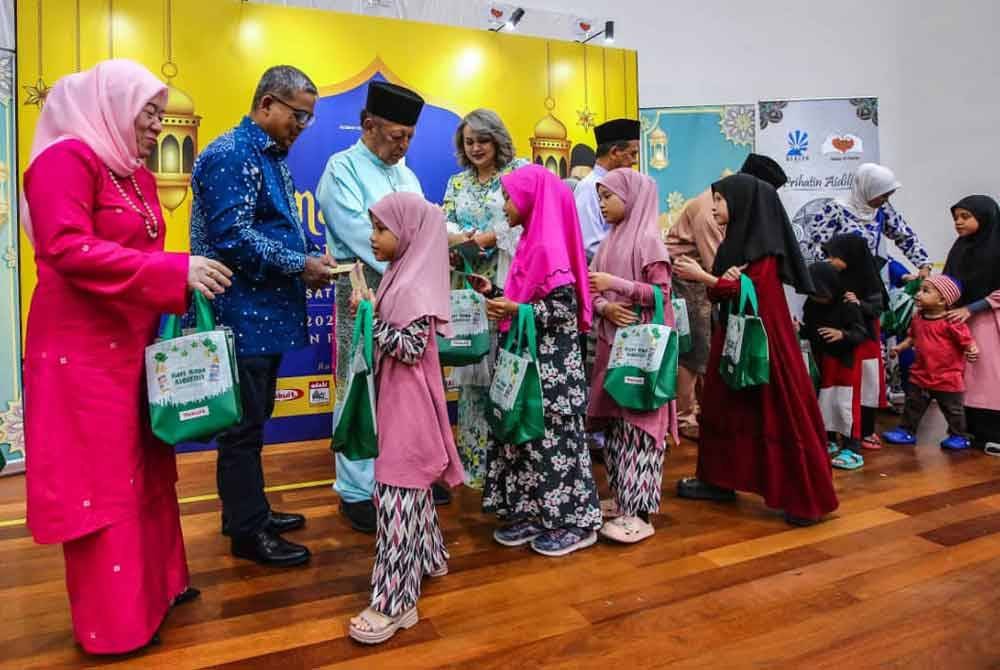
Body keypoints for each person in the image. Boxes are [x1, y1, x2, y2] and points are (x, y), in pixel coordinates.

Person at [22, 59, 232, 654]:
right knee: (104, 481)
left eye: (160, 114)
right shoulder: (65, 160)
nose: (156, 126)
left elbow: (137, 248)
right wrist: (173, 272)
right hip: (82, 353)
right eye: (148, 112)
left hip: (133, 345)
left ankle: (159, 588)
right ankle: (115, 626)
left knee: (148, 469)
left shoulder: (133, 171)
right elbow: (65, 247)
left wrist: (177, 282)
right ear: (109, 105)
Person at [191, 65, 335, 567]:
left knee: (253, 423)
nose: (302, 127)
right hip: (240, 313)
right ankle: (247, 532)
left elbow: (272, 229)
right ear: (267, 104)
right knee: (242, 430)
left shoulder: (269, 155)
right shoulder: (232, 153)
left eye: (308, 118)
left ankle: (249, 512)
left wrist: (307, 258)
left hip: (264, 314)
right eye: (299, 115)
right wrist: (299, 264)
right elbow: (232, 237)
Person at [673, 174, 838, 526]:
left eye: (720, 200)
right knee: (723, 409)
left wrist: (704, 277)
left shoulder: (764, 251)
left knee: (777, 411)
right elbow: (727, 291)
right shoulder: (736, 245)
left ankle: (803, 497)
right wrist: (721, 282)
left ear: (743, 204)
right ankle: (719, 480)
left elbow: (750, 295)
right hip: (735, 341)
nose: (714, 207)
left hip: (763, 347)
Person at [346, 192, 465, 645]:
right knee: (410, 490)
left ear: (409, 232)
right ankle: (431, 557)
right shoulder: (402, 276)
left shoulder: (412, 287)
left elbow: (409, 348)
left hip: (407, 412)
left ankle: (395, 603)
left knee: (396, 497)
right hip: (402, 404)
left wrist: (369, 316)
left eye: (381, 229)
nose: (372, 237)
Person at [316, 80, 432, 532]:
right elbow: (358, 233)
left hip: (407, 292)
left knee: (402, 387)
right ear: (369, 126)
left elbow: (421, 225)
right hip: (362, 290)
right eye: (396, 136)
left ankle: (399, 475)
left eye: (409, 138)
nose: (403, 146)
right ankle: (356, 490)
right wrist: (417, 256)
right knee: (358, 384)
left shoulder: (407, 174)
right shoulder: (341, 169)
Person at [474, 164, 602, 556]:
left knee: (555, 444)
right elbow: (530, 298)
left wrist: (515, 309)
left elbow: (563, 310)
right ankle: (536, 513)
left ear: (532, 199)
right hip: (531, 363)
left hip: (551, 369)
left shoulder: (548, 247)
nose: (504, 206)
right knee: (528, 441)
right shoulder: (532, 242)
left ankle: (576, 522)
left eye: (509, 197)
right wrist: (495, 291)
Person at [667, 153, 787, 440]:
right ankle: (686, 417)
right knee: (694, 349)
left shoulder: (732, 207)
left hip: (703, 277)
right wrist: (720, 281)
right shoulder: (711, 211)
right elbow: (718, 267)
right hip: (688, 276)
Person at [587, 168, 677, 543]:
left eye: (608, 196)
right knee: (616, 428)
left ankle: (640, 514)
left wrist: (617, 285)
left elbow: (661, 294)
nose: (602, 204)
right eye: (600, 197)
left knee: (640, 428)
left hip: (643, 355)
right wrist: (605, 307)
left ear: (631, 197)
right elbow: (591, 289)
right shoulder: (609, 241)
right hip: (613, 348)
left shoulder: (649, 242)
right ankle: (623, 499)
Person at [441, 109, 528, 489]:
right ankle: (475, 465)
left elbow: (527, 218)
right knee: (472, 370)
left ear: (498, 139)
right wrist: (458, 241)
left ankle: (508, 467)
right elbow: (443, 223)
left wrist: (490, 238)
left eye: (483, 140)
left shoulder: (518, 171)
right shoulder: (457, 182)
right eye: (469, 142)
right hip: (467, 285)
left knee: (505, 371)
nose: (476, 148)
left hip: (509, 283)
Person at [882, 275, 978, 450]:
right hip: (921, 374)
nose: (918, 294)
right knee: (913, 405)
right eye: (919, 289)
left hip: (947, 377)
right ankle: (906, 431)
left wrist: (972, 350)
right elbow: (912, 338)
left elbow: (967, 340)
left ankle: (959, 435)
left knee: (953, 410)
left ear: (942, 300)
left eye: (925, 291)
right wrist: (899, 348)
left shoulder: (951, 322)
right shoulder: (918, 318)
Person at [941, 196, 1000, 453]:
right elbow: (949, 282)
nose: (958, 222)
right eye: (956, 217)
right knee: (965, 378)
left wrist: (972, 308)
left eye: (965, 217)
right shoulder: (960, 248)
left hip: (990, 320)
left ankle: (994, 434)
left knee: (988, 377)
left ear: (985, 218)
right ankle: (966, 430)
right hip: (960, 321)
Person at [800, 262, 870, 470]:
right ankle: (828, 438)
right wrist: (799, 329)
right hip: (822, 360)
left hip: (844, 363)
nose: (816, 297)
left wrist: (843, 334)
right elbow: (809, 328)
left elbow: (861, 332)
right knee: (824, 401)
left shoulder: (847, 304)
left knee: (844, 403)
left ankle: (852, 448)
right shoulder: (811, 304)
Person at [822, 234, 888, 451]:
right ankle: (839, 433)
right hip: (845, 341)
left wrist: (859, 303)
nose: (830, 261)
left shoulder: (868, 280)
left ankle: (865, 432)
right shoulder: (835, 277)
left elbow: (876, 308)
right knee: (844, 389)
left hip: (865, 342)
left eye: (834, 256)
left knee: (865, 388)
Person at [575, 119, 641, 261]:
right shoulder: (589, 187)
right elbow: (590, 246)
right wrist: (628, 261)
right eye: (632, 154)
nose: (635, 161)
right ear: (614, 152)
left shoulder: (625, 185)